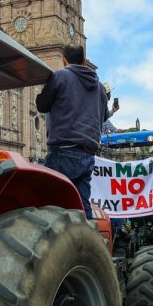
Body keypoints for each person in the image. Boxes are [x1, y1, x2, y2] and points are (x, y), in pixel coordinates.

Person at [36, 43, 109, 219]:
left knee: (44, 202)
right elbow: (105, 115)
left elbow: (42, 105)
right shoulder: (99, 86)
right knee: (83, 207)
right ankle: (88, 242)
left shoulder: (60, 76)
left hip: (64, 151)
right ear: (83, 60)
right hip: (88, 155)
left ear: (64, 59)